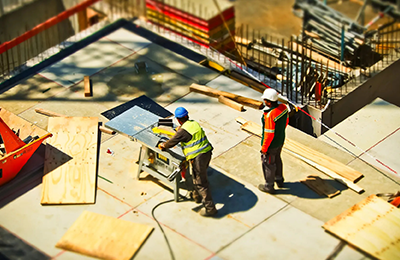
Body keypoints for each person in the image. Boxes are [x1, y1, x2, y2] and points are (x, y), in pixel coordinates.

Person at [158, 107, 218, 217]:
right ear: (187, 116)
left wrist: (163, 145)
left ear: (178, 119)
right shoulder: (193, 124)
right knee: (197, 177)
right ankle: (197, 196)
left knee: (201, 183)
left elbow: (171, 143)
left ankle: (210, 209)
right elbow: (187, 132)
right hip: (207, 152)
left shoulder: (182, 131)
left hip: (198, 157)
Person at [258, 88, 289, 194]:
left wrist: (264, 148)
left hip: (271, 145)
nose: (264, 102)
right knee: (277, 160)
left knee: (269, 164)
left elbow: (269, 134)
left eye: (265, 100)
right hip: (280, 140)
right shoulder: (283, 108)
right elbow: (286, 122)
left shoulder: (270, 115)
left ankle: (269, 186)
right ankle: (279, 180)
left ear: (269, 102)